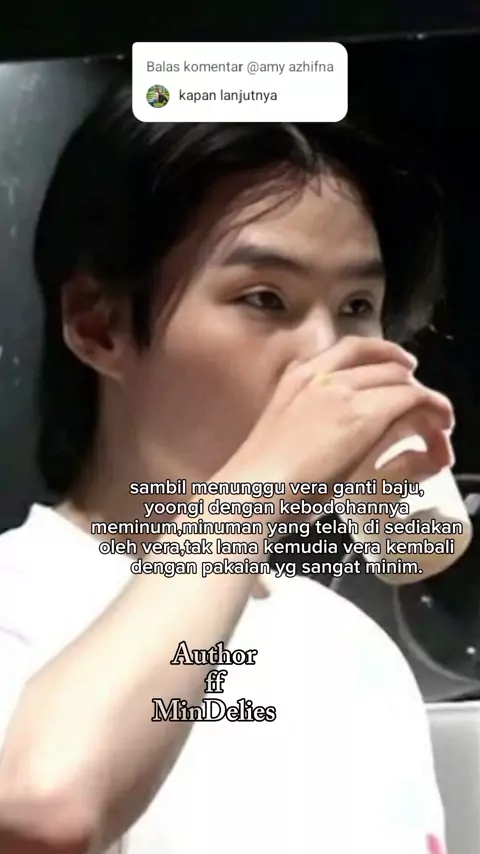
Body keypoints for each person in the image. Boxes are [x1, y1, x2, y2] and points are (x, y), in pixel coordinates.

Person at [0, 80, 452, 854]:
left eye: (356, 307)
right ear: (99, 326)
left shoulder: (353, 648)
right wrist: (263, 484)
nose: (327, 358)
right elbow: (43, 812)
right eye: (265, 298)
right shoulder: (20, 604)